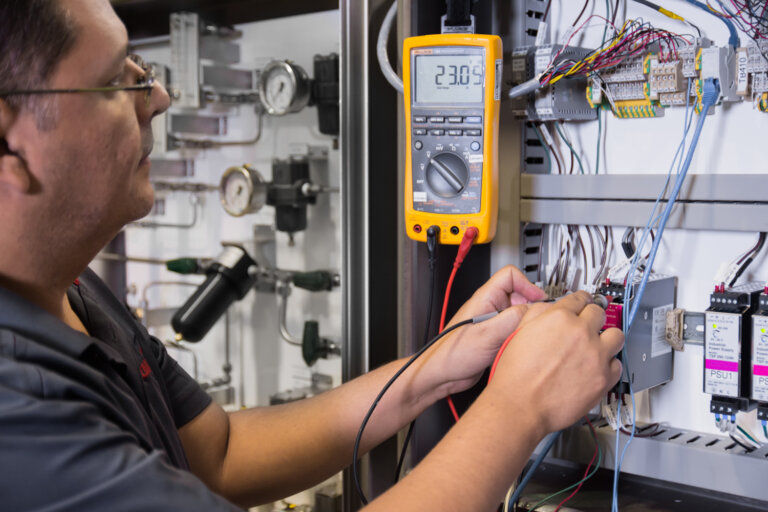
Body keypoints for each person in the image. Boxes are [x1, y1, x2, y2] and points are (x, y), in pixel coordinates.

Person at [0, 0, 624, 510]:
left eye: (143, 70)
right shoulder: (19, 417)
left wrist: (435, 367)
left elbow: (220, 456)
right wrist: (519, 406)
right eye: (118, 81)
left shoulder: (70, 292)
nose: (157, 99)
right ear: (11, 143)